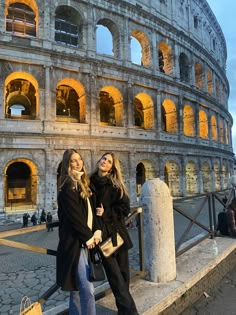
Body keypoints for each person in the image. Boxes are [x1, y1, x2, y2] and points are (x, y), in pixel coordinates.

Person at [90, 152, 139, 315]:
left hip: (117, 235)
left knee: (123, 275)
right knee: (115, 277)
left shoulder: (115, 185)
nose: (105, 161)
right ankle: (131, 312)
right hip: (103, 237)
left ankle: (123, 311)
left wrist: (106, 213)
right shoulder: (88, 183)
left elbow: (125, 209)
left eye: (109, 161)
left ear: (112, 168)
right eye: (104, 158)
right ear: (99, 161)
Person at [56, 149, 101, 315]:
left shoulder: (82, 183)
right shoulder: (68, 186)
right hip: (76, 244)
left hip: (85, 242)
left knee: (76, 288)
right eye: (73, 161)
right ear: (67, 165)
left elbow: (89, 211)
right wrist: (89, 238)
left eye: (79, 159)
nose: (78, 163)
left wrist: (97, 231)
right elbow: (75, 217)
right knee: (87, 289)